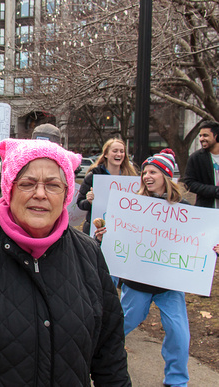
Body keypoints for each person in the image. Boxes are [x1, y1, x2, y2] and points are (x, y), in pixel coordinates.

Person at [0, 139, 131, 385]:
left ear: (66, 193)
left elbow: (111, 357)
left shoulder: (89, 255)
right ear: (10, 189)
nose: (40, 194)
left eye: (52, 185)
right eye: (28, 184)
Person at [95, 149, 216, 387]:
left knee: (179, 335)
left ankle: (177, 380)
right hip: (138, 283)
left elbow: (197, 241)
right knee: (120, 327)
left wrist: (212, 247)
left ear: (166, 176)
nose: (147, 177)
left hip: (170, 285)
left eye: (153, 172)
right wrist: (104, 236)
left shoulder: (185, 210)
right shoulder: (132, 206)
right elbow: (119, 237)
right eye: (145, 173)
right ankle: (93, 359)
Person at [77, 138, 137, 234]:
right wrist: (89, 201)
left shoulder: (131, 178)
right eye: (115, 151)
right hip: (96, 230)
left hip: (123, 229)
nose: (119, 154)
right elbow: (80, 203)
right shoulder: (94, 176)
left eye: (122, 151)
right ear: (106, 154)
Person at [183, 120, 219, 208]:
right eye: (200, 136)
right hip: (205, 211)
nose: (201, 139)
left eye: (205, 135)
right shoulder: (196, 158)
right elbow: (189, 183)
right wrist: (214, 191)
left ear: (216, 136)